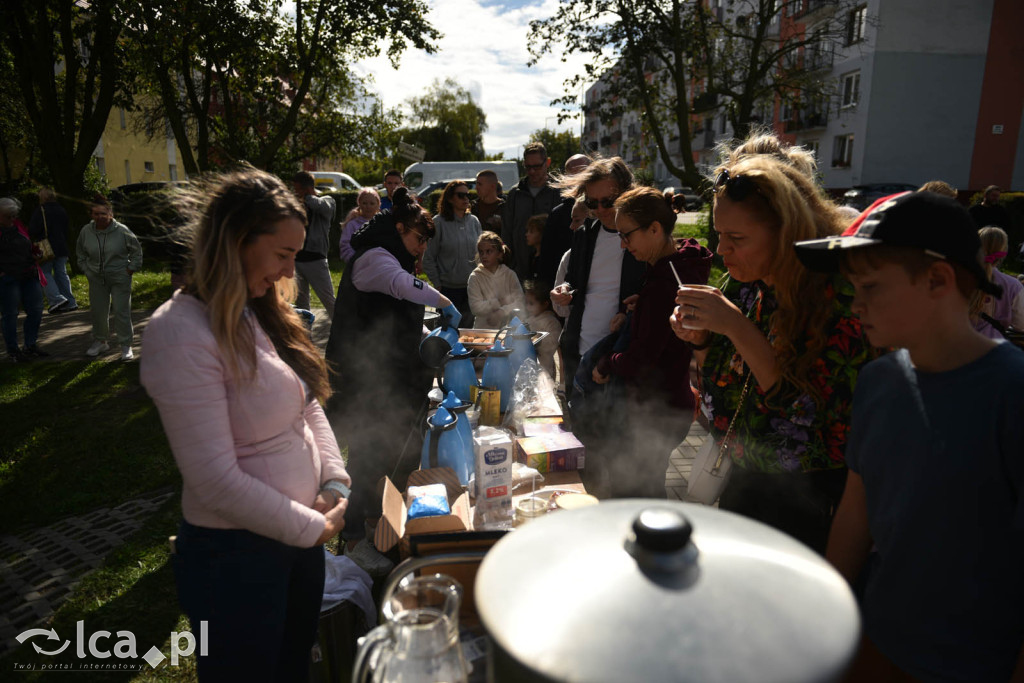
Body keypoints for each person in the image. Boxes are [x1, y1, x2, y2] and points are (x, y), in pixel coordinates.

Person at [794, 192, 1024, 683]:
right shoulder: (878, 380)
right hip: (875, 639)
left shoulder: (1012, 392)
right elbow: (857, 514)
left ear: (938, 279)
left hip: (972, 664)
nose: (856, 305)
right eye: (853, 288)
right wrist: (826, 611)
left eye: (871, 287)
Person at [139, 168, 351, 681]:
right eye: (282, 255)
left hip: (295, 545)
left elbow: (306, 404)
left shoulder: (252, 313)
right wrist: (312, 526)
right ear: (236, 240)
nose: (286, 272)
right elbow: (213, 478)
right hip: (236, 560)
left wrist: (334, 480)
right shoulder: (178, 333)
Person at [669, 143, 873, 554]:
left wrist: (735, 327)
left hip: (807, 502)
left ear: (786, 232)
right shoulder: (751, 286)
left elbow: (803, 416)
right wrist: (703, 341)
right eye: (719, 234)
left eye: (736, 238)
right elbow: (721, 400)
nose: (721, 250)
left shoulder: (842, 298)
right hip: (746, 483)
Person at [325, 187, 460, 572]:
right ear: (399, 228)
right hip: (358, 376)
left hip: (384, 374)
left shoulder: (393, 256)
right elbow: (403, 287)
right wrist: (446, 303)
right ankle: (351, 540)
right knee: (365, 455)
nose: (420, 250)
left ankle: (372, 521)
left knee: (384, 452)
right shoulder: (374, 258)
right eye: (418, 240)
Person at [589, 187, 712, 498]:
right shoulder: (674, 266)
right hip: (671, 403)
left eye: (627, 235)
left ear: (655, 229)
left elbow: (640, 362)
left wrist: (606, 363)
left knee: (635, 494)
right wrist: (642, 305)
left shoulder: (663, 283)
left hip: (657, 411)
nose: (622, 244)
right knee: (649, 486)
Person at [550, 157, 646, 402]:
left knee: (611, 434)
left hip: (618, 355)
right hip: (580, 347)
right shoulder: (585, 234)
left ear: (627, 193)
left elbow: (656, 291)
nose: (601, 209)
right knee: (579, 428)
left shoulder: (645, 237)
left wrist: (630, 312)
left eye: (608, 202)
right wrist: (565, 289)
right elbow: (574, 281)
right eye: (593, 203)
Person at [76, 196, 143, 360]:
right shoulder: (86, 231)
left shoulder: (122, 230)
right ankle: (101, 341)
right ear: (91, 215)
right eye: (96, 214)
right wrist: (87, 270)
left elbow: (137, 252)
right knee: (98, 312)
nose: (100, 217)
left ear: (111, 214)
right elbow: (80, 253)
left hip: (119, 276)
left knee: (121, 311)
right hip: (96, 278)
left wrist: (130, 270)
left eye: (104, 213)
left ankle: (126, 345)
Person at [423, 180, 482, 327]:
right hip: (448, 290)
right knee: (447, 337)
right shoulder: (438, 222)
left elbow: (481, 255)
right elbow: (428, 257)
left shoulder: (474, 221)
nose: (466, 199)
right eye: (460, 195)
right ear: (449, 198)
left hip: (472, 288)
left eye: (467, 195)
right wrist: (437, 284)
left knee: (469, 335)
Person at [502, 142, 562, 280]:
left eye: (537, 166)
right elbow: (507, 232)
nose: (532, 171)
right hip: (519, 271)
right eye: (528, 167)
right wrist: (510, 264)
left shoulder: (558, 193)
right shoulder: (514, 194)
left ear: (547, 162)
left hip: (550, 270)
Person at [0, 197, 47, 361]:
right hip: (9, 277)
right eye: (8, 216)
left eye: (13, 215)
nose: (12, 219)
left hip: (29, 273)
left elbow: (27, 243)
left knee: (35, 309)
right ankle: (13, 350)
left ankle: (30, 345)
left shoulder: (18, 225)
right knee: (10, 314)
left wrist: (36, 252)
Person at [537, 154, 591, 286]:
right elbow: (547, 258)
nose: (577, 181)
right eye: (572, 176)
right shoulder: (558, 214)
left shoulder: (605, 209)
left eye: (582, 174)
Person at [291, 171, 336, 319]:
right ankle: (305, 338)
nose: (295, 193)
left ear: (307, 189)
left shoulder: (327, 201)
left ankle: (343, 335)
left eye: (297, 189)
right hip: (297, 259)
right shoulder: (296, 205)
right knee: (301, 304)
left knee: (329, 301)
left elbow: (322, 207)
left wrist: (307, 197)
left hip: (316, 260)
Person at [29, 187, 77, 313]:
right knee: (61, 273)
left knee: (44, 273)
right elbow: (67, 228)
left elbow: (33, 229)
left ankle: (56, 299)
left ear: (42, 197)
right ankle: (70, 302)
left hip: (46, 246)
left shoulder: (41, 210)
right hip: (61, 245)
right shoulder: (61, 209)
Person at [972, 226, 1024, 338]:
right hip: (993, 348)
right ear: (1004, 252)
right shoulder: (1013, 286)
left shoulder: (957, 278)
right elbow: (1021, 325)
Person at [467, 231, 525, 328]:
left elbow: (520, 302)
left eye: (489, 251)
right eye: (481, 252)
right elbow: (475, 307)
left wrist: (502, 312)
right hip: (483, 330)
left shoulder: (509, 274)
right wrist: (498, 302)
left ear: (499, 254)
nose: (484, 256)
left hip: (508, 330)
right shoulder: (475, 277)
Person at [523, 279, 562, 381]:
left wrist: (535, 342)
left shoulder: (551, 322)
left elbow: (553, 343)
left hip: (545, 367)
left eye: (531, 303)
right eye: (526, 303)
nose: (527, 307)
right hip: (528, 366)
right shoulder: (529, 319)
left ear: (545, 304)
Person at [339, 188, 381, 264]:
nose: (368, 206)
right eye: (364, 203)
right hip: (357, 266)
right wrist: (356, 260)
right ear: (359, 204)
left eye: (372, 203)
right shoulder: (352, 225)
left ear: (378, 205)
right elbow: (345, 245)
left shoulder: (382, 224)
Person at [524, 213, 547, 280]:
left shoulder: (546, 258)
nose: (527, 234)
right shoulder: (532, 255)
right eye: (527, 231)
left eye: (531, 232)